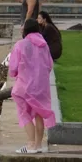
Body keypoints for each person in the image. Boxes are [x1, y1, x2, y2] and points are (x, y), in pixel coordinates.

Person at [10, 19, 56, 153]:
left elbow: (13, 67)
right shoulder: (44, 45)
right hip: (41, 87)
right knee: (39, 114)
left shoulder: (21, 45)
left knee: (24, 113)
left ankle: (30, 145)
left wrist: (17, 73)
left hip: (25, 86)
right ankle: (38, 145)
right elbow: (49, 65)